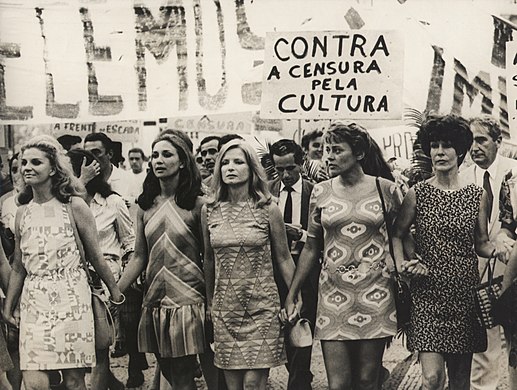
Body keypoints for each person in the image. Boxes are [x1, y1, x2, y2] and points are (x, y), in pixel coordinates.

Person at [284, 122, 401, 390]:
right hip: (333, 295)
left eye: (337, 150)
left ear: (359, 154)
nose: (328, 157)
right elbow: (312, 247)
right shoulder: (321, 191)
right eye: (326, 150)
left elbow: (401, 235)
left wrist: (400, 264)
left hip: (376, 293)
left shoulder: (386, 189)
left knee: (367, 380)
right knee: (338, 384)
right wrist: (293, 292)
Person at [2, 135, 124, 390]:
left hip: (72, 299)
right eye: (24, 163)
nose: (27, 168)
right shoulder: (23, 212)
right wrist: (9, 307)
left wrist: (115, 293)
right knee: (34, 381)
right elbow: (18, 266)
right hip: (34, 301)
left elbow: (95, 256)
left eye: (36, 162)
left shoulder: (75, 206)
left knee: (73, 381)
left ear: (53, 167)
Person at [392, 114, 502, 390]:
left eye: (447, 145)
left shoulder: (477, 195)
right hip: (427, 294)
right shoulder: (418, 193)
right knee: (431, 378)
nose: (439, 152)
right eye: (434, 145)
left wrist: (500, 249)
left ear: (461, 151)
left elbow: (482, 244)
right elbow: (397, 233)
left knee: (460, 380)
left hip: (463, 297)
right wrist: (403, 265)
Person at [202, 139, 298, 390]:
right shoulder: (209, 210)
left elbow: (283, 257)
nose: (230, 168)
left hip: (262, 308)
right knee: (233, 386)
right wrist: (210, 303)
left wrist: (294, 296)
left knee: (253, 385)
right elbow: (209, 259)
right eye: (224, 163)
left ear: (251, 168)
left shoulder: (268, 208)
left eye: (238, 162)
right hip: (226, 310)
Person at [117, 132, 207, 390]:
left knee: (182, 375)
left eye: (167, 154)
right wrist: (115, 292)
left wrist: (211, 302)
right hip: (154, 299)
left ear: (182, 162)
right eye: (155, 155)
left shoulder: (197, 205)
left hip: (188, 299)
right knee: (167, 370)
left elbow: (209, 258)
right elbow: (138, 257)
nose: (159, 160)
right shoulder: (145, 207)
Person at [68, 149, 136, 390]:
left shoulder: (113, 202)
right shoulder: (64, 204)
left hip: (104, 281)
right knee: (76, 348)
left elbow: (130, 243)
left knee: (99, 347)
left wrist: (121, 283)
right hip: (72, 279)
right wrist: (80, 185)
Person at [459, 116, 517, 390]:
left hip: (513, 272)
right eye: (471, 140)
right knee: (483, 347)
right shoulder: (461, 178)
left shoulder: (515, 172)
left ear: (498, 141)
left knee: (515, 346)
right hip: (478, 274)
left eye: (482, 139)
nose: (475, 147)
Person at [268, 139, 317, 390]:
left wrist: (302, 235)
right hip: (276, 270)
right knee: (285, 329)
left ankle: (298, 382)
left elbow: (324, 235)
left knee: (302, 323)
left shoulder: (315, 192)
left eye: (290, 168)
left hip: (306, 269)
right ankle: (300, 376)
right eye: (279, 169)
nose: (286, 175)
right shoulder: (267, 193)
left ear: (301, 164)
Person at [84, 133, 129, 200]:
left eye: (96, 152)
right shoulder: (83, 181)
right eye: (87, 153)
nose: (91, 157)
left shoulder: (127, 179)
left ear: (110, 154)